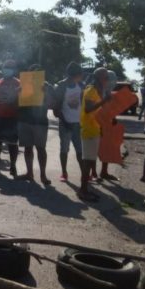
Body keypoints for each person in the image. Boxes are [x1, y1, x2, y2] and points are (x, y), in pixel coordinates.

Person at [78, 67, 111, 202]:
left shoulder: (97, 90)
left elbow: (96, 111)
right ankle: (83, 191)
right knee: (87, 162)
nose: (108, 80)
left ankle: (85, 189)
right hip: (89, 130)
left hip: (94, 129)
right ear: (100, 78)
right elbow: (88, 109)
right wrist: (104, 100)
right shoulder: (91, 90)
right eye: (106, 77)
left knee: (90, 160)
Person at [17, 64, 53, 185]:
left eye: (37, 72)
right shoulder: (22, 85)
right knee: (28, 148)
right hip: (24, 120)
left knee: (41, 149)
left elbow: (50, 104)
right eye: (32, 72)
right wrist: (18, 93)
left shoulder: (46, 86)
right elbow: (15, 102)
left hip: (40, 122)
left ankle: (43, 175)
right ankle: (29, 173)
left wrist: (46, 93)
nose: (34, 74)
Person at [0, 60, 21, 174]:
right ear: (2, 69)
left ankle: (13, 165)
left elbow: (23, 100)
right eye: (6, 67)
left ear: (14, 70)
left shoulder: (19, 83)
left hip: (12, 117)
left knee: (12, 144)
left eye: (10, 67)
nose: (7, 69)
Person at [53, 62, 84, 182]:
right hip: (65, 123)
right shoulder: (61, 86)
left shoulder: (81, 85)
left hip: (78, 124)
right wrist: (65, 122)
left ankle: (84, 174)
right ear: (75, 74)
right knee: (64, 149)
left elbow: (83, 105)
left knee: (80, 151)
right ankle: (64, 172)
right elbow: (56, 109)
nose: (81, 76)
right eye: (80, 74)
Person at [95, 70, 120, 181]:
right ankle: (93, 173)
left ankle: (103, 172)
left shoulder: (108, 91)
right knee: (95, 149)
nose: (113, 82)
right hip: (98, 123)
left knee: (106, 148)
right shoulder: (97, 90)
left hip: (107, 123)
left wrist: (113, 118)